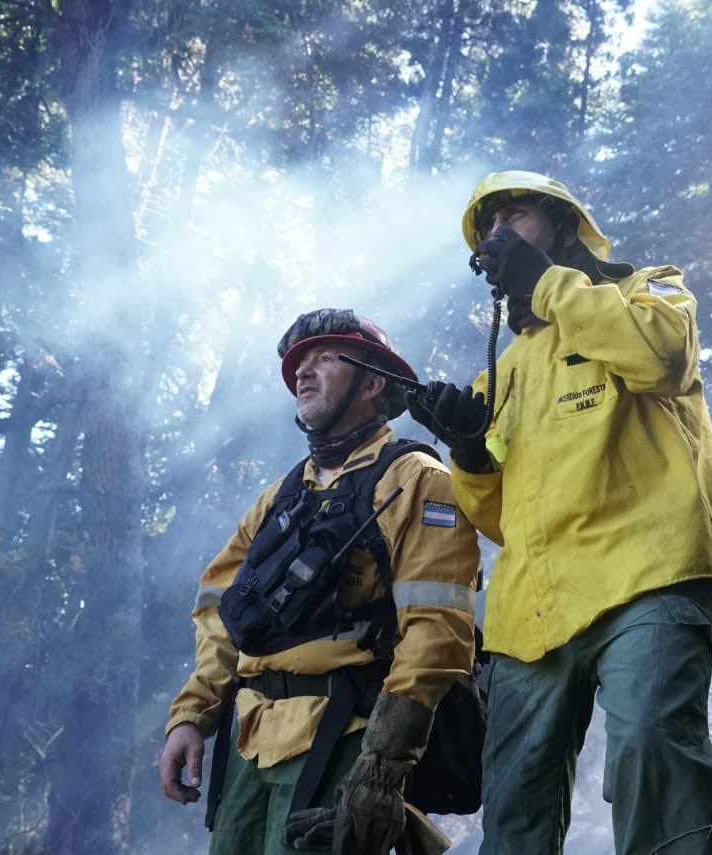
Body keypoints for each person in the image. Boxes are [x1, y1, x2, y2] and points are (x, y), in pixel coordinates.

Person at [405, 170, 712, 855]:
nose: (499, 235)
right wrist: (470, 452)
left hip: (646, 575)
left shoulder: (649, 290)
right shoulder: (503, 371)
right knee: (513, 805)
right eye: (489, 230)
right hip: (532, 607)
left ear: (564, 224)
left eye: (514, 215)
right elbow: (499, 518)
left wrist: (548, 284)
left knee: (654, 746)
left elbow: (661, 357)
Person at [159, 308, 481, 855]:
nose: (302, 373)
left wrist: (379, 772)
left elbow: (436, 636)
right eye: (297, 365)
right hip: (248, 746)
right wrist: (191, 716)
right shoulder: (278, 498)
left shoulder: (416, 481)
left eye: (324, 357)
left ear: (374, 381)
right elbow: (218, 610)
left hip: (344, 739)